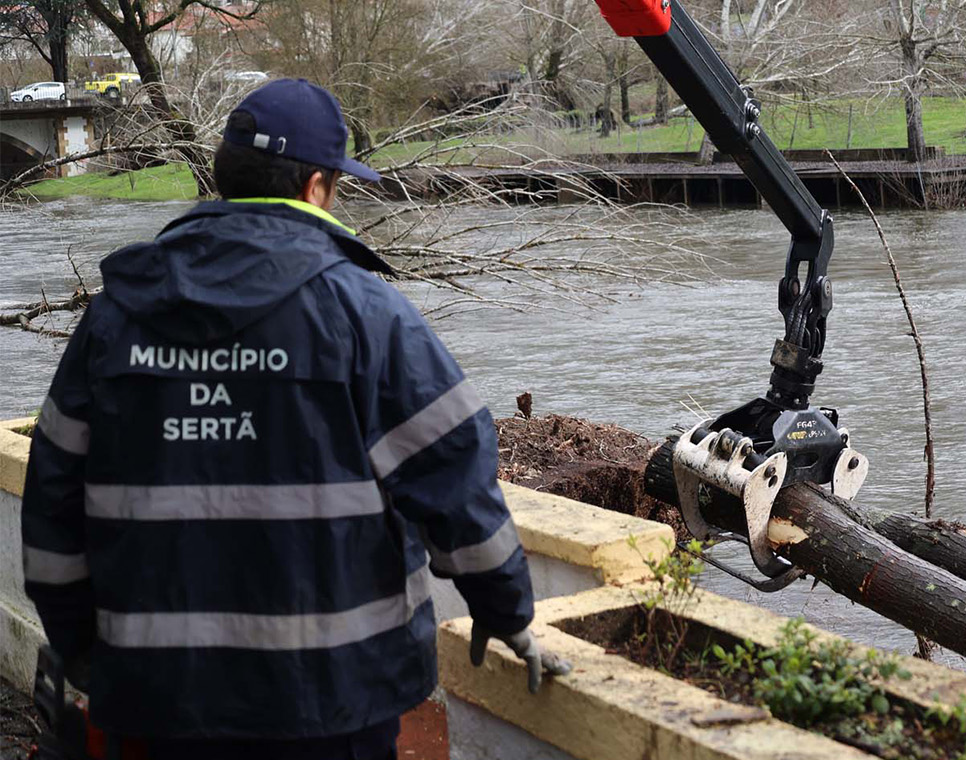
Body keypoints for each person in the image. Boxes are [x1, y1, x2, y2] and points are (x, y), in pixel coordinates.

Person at [20, 78, 567, 760]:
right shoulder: (366, 315)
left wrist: (86, 652)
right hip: (333, 703)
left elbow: (51, 509)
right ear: (315, 187)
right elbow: (454, 479)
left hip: (155, 701)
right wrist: (506, 610)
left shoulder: (116, 315)